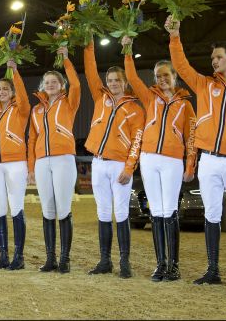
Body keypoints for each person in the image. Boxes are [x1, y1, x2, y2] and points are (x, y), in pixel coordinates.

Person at [165, 15, 226, 288]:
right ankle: (213, 270)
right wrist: (175, 36)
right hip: (208, 160)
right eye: (212, 59)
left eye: (219, 57)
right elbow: (181, 66)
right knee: (211, 213)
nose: (214, 61)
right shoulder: (204, 85)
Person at [122, 36, 196, 281]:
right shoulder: (149, 97)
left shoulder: (185, 104)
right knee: (155, 211)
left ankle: (173, 266)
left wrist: (190, 164)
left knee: (170, 209)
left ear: (175, 77)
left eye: (166, 75)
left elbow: (191, 137)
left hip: (173, 161)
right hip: (149, 159)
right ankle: (160, 264)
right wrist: (128, 49)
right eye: (157, 75)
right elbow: (131, 77)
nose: (161, 79)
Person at [83, 41, 144, 279]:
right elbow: (90, 73)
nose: (112, 84)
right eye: (109, 81)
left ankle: (125, 262)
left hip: (120, 165)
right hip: (98, 162)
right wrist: (89, 46)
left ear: (125, 82)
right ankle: (105, 261)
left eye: (117, 80)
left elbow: (137, 141)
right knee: (103, 211)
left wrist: (130, 167)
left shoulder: (135, 109)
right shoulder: (101, 98)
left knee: (121, 212)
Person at [27, 46, 80, 273]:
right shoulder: (36, 110)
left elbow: (77, 84)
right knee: (47, 209)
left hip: (63, 159)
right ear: (42, 86)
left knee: (63, 208)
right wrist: (31, 167)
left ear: (61, 85)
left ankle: (65, 259)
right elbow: (31, 139)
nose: (50, 85)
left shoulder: (69, 102)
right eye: (47, 82)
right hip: (42, 162)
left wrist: (66, 60)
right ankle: (50, 258)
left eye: (54, 82)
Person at [0, 60, 31, 270]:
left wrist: (15, 71)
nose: (1, 92)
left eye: (5, 89)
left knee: (16, 207)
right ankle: (3, 256)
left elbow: (23, 95)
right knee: (0, 209)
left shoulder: (20, 111)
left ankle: (18, 257)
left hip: (16, 164)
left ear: (12, 92)